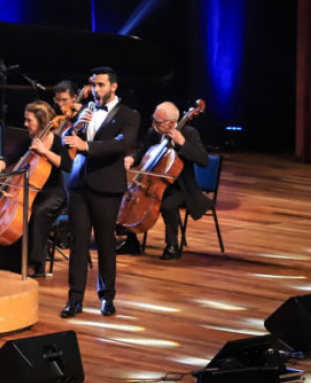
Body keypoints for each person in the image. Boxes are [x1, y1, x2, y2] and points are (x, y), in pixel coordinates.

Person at [61, 66, 140, 318]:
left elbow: (122, 144)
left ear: (113, 86)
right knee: (78, 243)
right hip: (79, 184)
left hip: (106, 186)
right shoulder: (86, 109)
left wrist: (86, 146)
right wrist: (74, 128)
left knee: (106, 243)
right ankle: (74, 299)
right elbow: (66, 139)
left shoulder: (129, 114)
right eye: (94, 84)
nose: (95, 90)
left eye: (101, 85)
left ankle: (107, 297)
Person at [0, 101, 70, 277]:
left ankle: (33, 264)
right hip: (28, 191)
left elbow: (67, 165)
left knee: (37, 214)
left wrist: (45, 152)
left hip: (52, 194)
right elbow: (11, 156)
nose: (25, 124)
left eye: (29, 120)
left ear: (42, 120)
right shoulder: (28, 140)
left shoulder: (57, 142)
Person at [120, 102, 210, 260]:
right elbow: (142, 152)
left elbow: (204, 160)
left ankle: (172, 245)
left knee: (168, 205)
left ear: (171, 123)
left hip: (181, 187)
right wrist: (131, 158)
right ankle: (131, 242)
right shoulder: (153, 133)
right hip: (153, 183)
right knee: (128, 196)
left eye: (157, 122)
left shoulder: (189, 133)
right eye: (153, 120)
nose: (153, 124)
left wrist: (183, 144)